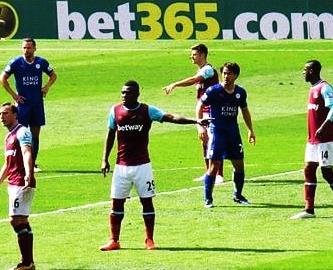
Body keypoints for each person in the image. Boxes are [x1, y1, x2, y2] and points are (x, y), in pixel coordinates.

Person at [100, 80, 208, 251]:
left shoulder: (147, 111)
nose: (124, 95)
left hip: (143, 166)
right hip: (121, 167)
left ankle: (149, 240)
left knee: (147, 202)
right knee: (116, 203)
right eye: (122, 92)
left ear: (136, 94)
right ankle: (114, 240)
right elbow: (110, 134)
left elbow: (171, 117)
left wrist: (195, 121)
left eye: (128, 92)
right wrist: (104, 159)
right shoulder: (115, 111)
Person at [291, 60, 333, 219]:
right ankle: (309, 209)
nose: (303, 72)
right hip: (313, 139)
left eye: (305, 70)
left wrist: (324, 126)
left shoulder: (324, 87)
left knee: (326, 172)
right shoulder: (312, 89)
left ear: (312, 71)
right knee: (309, 169)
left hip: (327, 138)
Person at [0, 103, 36, 270]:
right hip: (13, 182)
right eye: (0, 114)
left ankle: (26, 262)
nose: (2, 117)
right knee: (22, 221)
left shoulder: (22, 132)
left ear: (15, 114)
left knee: (16, 220)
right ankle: (29, 262)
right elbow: (8, 163)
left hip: (21, 182)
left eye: (5, 113)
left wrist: (29, 173)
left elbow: (27, 152)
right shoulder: (8, 137)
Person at [197, 62, 256, 208]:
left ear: (236, 75)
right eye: (224, 73)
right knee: (214, 165)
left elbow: (245, 111)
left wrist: (250, 130)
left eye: (229, 73)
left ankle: (238, 195)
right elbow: (199, 106)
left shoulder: (240, 92)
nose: (226, 76)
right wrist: (200, 127)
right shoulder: (213, 91)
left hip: (233, 132)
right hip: (217, 132)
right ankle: (208, 199)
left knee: (239, 165)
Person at [163, 44, 224, 183]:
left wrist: (175, 84)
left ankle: (219, 174)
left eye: (194, 54)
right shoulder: (201, 70)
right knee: (204, 140)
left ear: (202, 55)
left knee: (214, 142)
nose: (191, 57)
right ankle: (209, 172)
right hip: (203, 112)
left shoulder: (208, 70)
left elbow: (193, 80)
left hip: (212, 111)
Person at [0, 38, 57, 172]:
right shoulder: (16, 62)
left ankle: (33, 164)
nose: (26, 50)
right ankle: (18, 162)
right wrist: (14, 95)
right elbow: (2, 78)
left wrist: (46, 87)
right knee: (21, 134)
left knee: (35, 135)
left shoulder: (41, 62)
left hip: (37, 104)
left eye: (29, 48)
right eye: (24, 48)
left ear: (35, 49)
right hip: (22, 106)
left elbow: (53, 75)